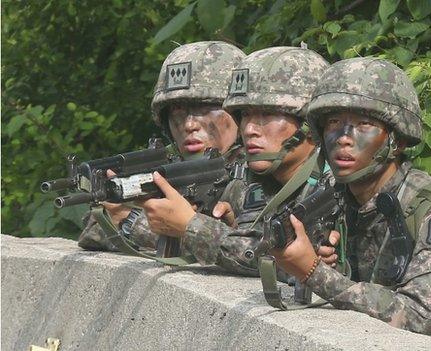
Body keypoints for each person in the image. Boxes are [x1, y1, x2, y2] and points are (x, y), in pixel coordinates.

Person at [271, 57, 431, 344]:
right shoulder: (335, 191)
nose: (343, 138)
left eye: (363, 124)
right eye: (334, 123)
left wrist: (315, 273)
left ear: (396, 141)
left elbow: (416, 318)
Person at [136, 46, 337, 275]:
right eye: (245, 115)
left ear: (310, 125)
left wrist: (189, 226)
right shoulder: (249, 180)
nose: (249, 129)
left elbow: (280, 261)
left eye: (267, 114)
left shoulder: (334, 188)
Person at [78, 41, 245, 251]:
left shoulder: (256, 178)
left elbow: (254, 254)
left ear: (240, 112)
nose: (189, 124)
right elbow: (94, 230)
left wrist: (132, 222)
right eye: (177, 109)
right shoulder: (170, 172)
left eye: (205, 107)